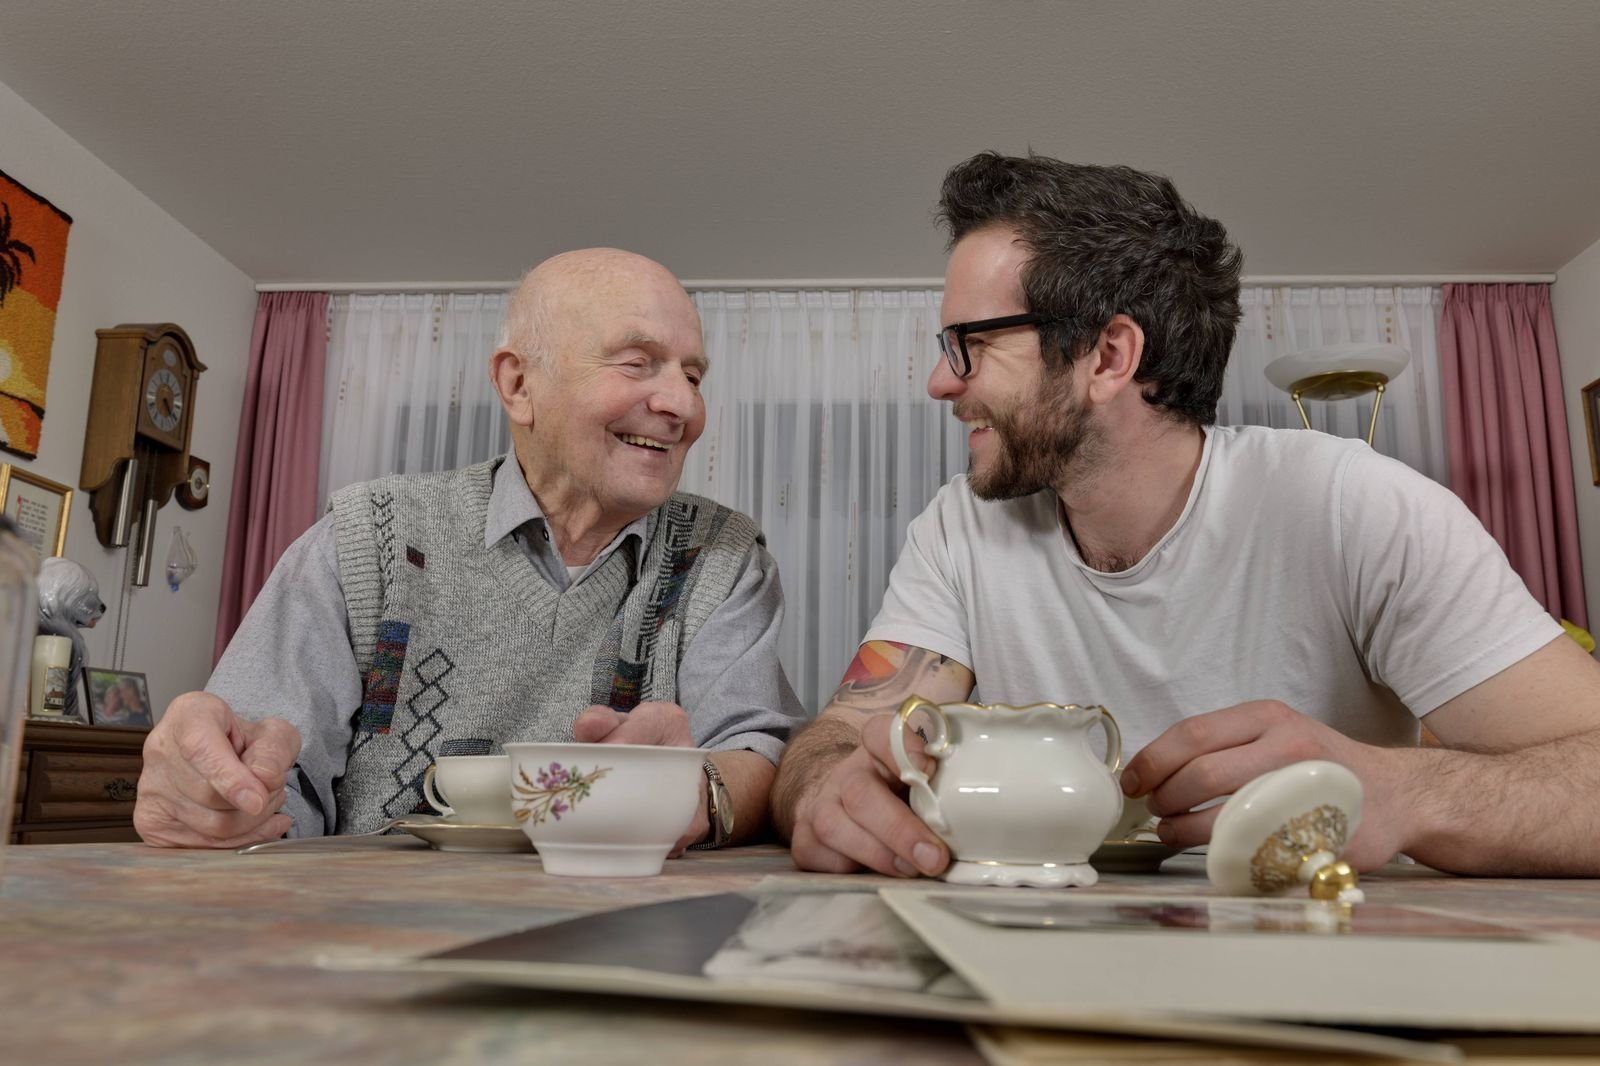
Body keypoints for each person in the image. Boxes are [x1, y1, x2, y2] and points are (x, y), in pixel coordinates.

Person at [773, 152, 1600, 879]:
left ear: (1108, 355)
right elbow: (839, 736)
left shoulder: (1357, 506)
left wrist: (1397, 791)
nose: (940, 383)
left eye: (972, 345)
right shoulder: (960, 530)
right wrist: (824, 784)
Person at [136, 248, 805, 849]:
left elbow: (759, 753)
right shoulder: (369, 538)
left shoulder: (723, 557)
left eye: (693, 374)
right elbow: (260, 781)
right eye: (638, 363)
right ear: (518, 385)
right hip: (373, 935)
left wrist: (694, 787)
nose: (683, 404)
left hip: (632, 929)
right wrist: (217, 796)